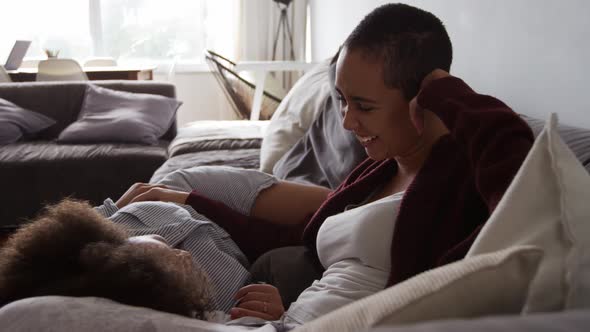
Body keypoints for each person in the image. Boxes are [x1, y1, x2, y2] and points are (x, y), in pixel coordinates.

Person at [0, 3, 534, 328]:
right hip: (275, 319)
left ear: (425, 96)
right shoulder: (379, 170)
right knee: (117, 245)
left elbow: (520, 165)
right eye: (341, 101)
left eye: (364, 106)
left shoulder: (459, 176)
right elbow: (301, 235)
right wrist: (191, 201)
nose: (348, 123)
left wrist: (450, 93)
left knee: (38, 315)